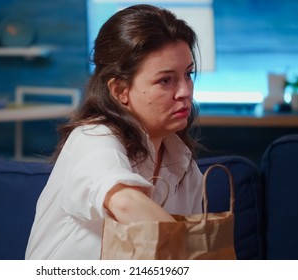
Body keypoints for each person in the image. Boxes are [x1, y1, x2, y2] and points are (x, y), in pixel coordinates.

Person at [25, 4, 204, 260]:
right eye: (166, 80)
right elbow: (124, 201)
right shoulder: (93, 137)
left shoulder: (186, 168)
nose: (185, 91)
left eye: (188, 74)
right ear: (120, 90)